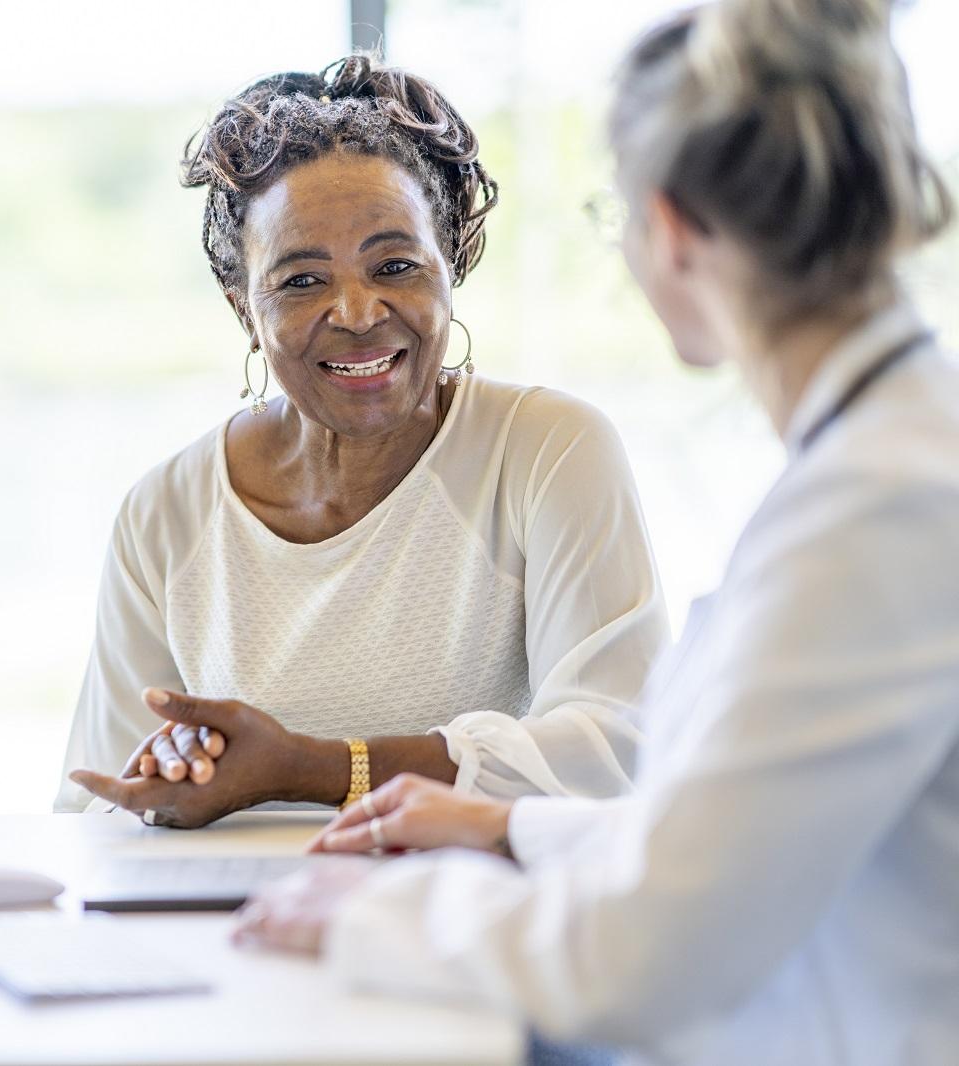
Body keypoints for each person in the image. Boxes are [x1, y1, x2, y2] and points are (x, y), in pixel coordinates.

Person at [232, 2, 959, 1063]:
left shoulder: (881, 506)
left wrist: (368, 918)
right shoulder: (890, 454)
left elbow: (635, 961)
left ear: (667, 229)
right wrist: (511, 826)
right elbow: (739, 839)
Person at [58, 57, 669, 825]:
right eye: (301, 281)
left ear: (453, 265)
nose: (356, 312)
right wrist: (162, 782)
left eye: (396, 265)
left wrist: (310, 769)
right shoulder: (165, 514)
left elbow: (615, 751)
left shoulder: (548, 452)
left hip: (475, 929)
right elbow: (95, 807)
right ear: (243, 305)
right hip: (239, 931)